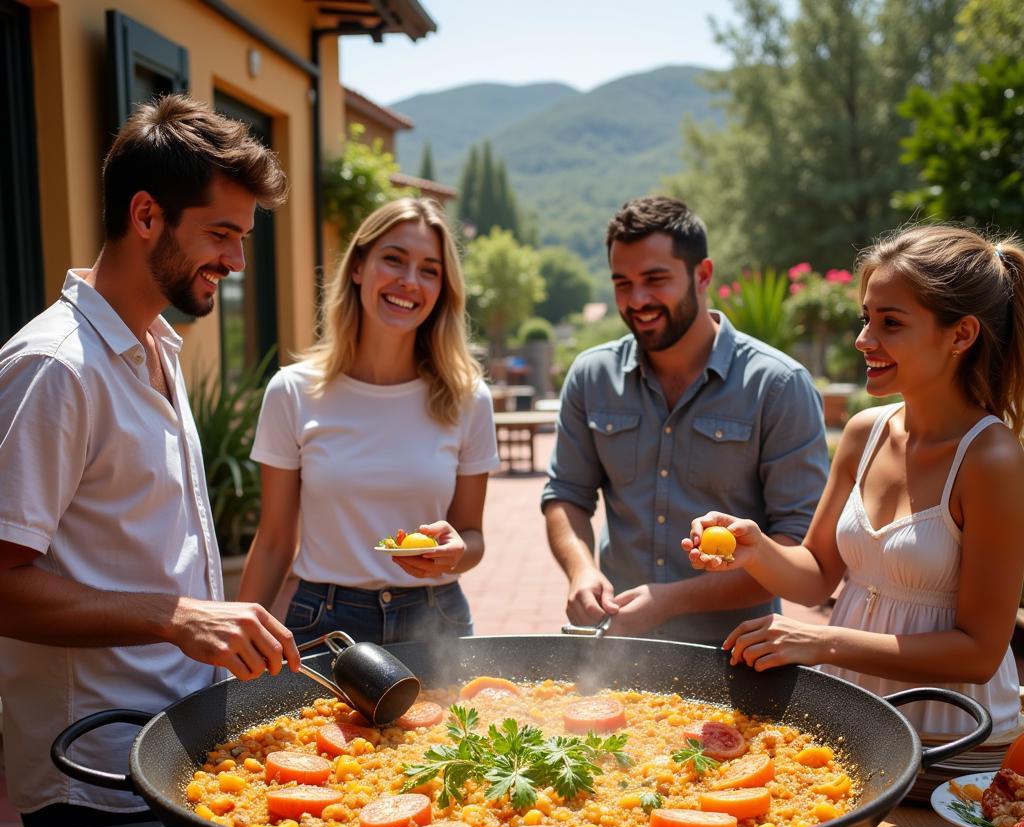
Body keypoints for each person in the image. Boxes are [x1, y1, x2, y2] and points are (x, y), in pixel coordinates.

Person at [0, 94, 300, 827]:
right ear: (145, 217)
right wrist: (175, 617)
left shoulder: (156, 345)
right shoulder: (55, 367)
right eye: (221, 234)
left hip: (172, 756)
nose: (236, 261)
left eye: (243, 237)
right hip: (92, 780)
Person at [685, 224, 1024, 739]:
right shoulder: (865, 432)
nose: (864, 340)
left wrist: (822, 642)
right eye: (867, 318)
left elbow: (980, 652)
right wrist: (754, 549)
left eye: (891, 323)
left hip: (951, 739)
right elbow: (819, 572)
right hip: (857, 724)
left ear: (961, 334)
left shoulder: (992, 457)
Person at [541, 196, 829, 642]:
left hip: (737, 654)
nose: (637, 300)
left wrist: (671, 599)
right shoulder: (590, 375)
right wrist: (581, 571)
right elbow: (566, 496)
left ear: (703, 275)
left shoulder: (779, 385)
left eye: (655, 279)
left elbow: (797, 552)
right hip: (617, 646)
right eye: (622, 283)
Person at [237, 197, 499, 645]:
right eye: (394, 260)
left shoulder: (468, 397)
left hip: (436, 620)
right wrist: (236, 652)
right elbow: (275, 540)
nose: (409, 281)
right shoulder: (293, 391)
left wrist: (455, 554)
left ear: (443, 289)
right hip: (323, 624)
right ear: (358, 266)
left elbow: (471, 537)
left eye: (429, 270)